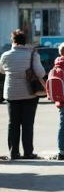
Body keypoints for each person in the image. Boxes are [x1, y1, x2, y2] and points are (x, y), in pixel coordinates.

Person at [0, 30, 45, 160]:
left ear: (13, 41)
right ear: (26, 41)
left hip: (11, 93)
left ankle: (13, 152)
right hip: (29, 93)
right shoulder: (32, 55)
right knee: (27, 123)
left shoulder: (6, 55)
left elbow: (2, 70)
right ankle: (28, 152)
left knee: (12, 123)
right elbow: (41, 73)